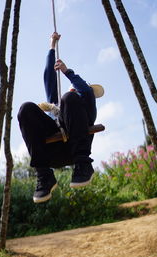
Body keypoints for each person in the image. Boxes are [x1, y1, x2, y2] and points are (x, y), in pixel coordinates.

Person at [17, 32, 103, 204]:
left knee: (69, 98)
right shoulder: (56, 106)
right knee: (25, 109)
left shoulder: (84, 104)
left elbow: (84, 91)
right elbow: (49, 76)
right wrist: (52, 47)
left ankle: (83, 165)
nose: (74, 91)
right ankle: (44, 175)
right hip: (52, 154)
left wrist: (67, 72)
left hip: (75, 150)